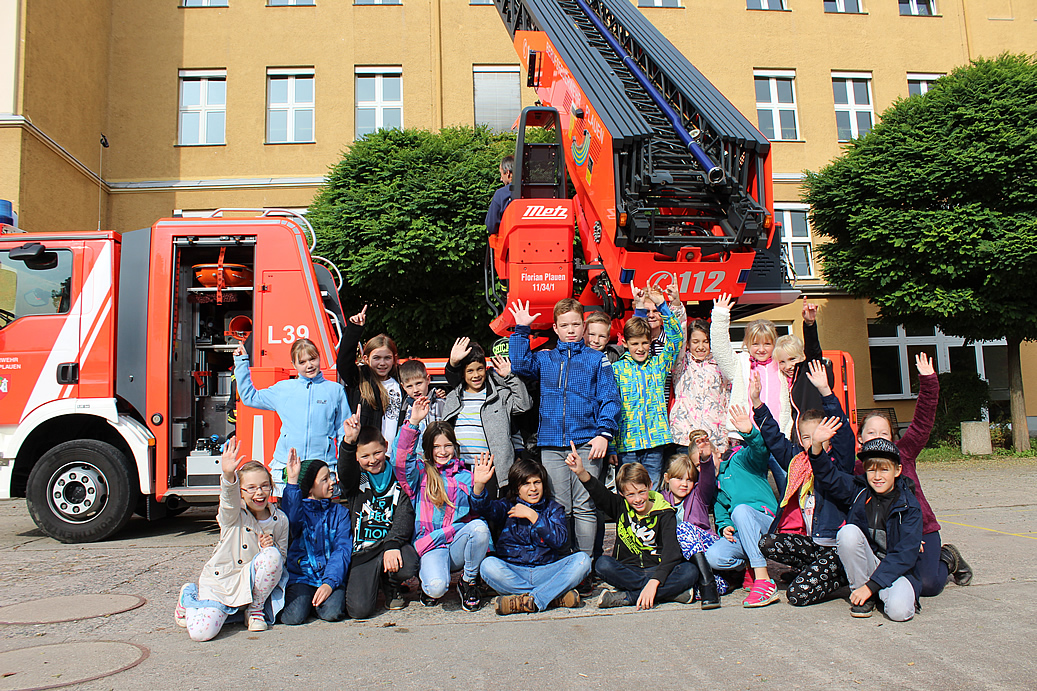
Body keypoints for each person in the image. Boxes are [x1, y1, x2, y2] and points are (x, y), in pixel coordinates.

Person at [508, 298, 622, 557]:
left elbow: (610, 399)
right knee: (560, 506)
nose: (570, 329)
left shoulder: (597, 360)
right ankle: (564, 560)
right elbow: (520, 365)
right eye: (564, 325)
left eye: (575, 324)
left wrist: (604, 434)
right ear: (556, 329)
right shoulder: (545, 358)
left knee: (584, 505)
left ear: (584, 327)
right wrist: (522, 329)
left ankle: (584, 564)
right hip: (551, 443)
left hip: (586, 441)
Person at [855, 352, 972, 595]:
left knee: (928, 586)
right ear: (860, 439)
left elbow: (921, 423)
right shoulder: (857, 467)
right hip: (884, 538)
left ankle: (948, 557)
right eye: (871, 433)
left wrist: (929, 382)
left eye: (884, 434)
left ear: (893, 439)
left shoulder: (904, 453)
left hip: (921, 530)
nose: (877, 437)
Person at [755, 362, 854, 607]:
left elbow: (844, 435)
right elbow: (774, 438)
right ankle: (815, 569)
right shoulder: (798, 460)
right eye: (807, 437)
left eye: (818, 436)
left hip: (835, 547)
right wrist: (757, 404)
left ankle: (838, 575)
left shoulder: (838, 462)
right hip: (812, 545)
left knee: (797, 595)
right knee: (768, 543)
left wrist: (826, 392)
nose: (812, 442)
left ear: (828, 434)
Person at [174, 438, 289, 641]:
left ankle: (255, 611)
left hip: (253, 586)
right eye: (251, 488)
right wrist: (228, 475)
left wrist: (269, 550)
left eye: (264, 486)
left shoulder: (280, 519)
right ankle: (189, 596)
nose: (259, 493)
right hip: (223, 582)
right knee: (201, 633)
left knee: (272, 556)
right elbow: (228, 501)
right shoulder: (233, 515)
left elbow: (282, 559)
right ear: (241, 493)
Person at [810, 433, 924, 621]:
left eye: (884, 470)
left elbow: (905, 555)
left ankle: (871, 591)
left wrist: (872, 586)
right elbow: (829, 477)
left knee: (899, 613)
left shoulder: (909, 506)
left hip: (895, 570)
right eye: (871, 470)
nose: (877, 477)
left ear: (897, 471)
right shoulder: (859, 490)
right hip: (869, 562)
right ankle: (863, 596)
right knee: (848, 532)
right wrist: (816, 446)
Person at [564, 449, 697, 610]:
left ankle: (629, 597)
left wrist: (654, 582)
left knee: (690, 571)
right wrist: (581, 472)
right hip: (629, 570)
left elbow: (672, 554)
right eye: (631, 494)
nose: (638, 499)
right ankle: (670, 593)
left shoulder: (665, 512)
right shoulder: (620, 506)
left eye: (642, 492)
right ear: (622, 493)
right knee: (602, 564)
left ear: (650, 485)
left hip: (658, 568)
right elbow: (599, 493)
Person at [395, 396, 490, 611]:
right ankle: (428, 582)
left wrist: (479, 488)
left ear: (455, 447)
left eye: (448, 445)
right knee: (436, 588)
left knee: (480, 528)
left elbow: (480, 511)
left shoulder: (465, 475)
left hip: (457, 544)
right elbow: (400, 461)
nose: (442, 451)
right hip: (431, 546)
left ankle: (468, 581)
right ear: (428, 448)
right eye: (436, 446)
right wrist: (413, 424)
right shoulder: (419, 473)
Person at [471, 456, 591, 615]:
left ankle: (528, 600)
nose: (533, 489)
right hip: (514, 571)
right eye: (526, 484)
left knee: (582, 561)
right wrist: (479, 486)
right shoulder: (507, 507)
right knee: (487, 566)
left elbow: (560, 541)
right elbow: (483, 508)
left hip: (546, 571)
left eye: (537, 482)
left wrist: (534, 516)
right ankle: (551, 597)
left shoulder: (553, 509)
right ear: (516, 488)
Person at [234, 338, 350, 495]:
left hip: (323, 466)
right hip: (287, 466)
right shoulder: (283, 389)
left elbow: (343, 431)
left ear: (319, 357)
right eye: (302, 362)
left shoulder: (335, 390)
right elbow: (249, 397)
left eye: (312, 359)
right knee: (290, 517)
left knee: (321, 517)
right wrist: (241, 363)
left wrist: (344, 465)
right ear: (294, 364)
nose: (309, 365)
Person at [339, 416, 418, 619]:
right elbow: (345, 469)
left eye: (377, 452)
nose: (372, 460)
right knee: (359, 611)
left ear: (386, 446)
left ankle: (391, 584)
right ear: (357, 456)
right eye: (365, 456)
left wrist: (392, 544)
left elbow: (405, 513)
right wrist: (349, 442)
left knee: (409, 562)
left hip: (390, 545)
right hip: (364, 550)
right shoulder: (356, 479)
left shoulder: (398, 475)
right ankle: (374, 582)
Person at [711, 293, 789, 492]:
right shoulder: (741, 365)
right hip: (749, 436)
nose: (761, 349)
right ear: (746, 344)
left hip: (778, 436)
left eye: (767, 344)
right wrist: (720, 315)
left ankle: (791, 522)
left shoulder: (782, 365)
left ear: (775, 344)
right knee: (753, 487)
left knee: (788, 485)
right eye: (755, 344)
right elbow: (720, 349)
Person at [704, 405, 780, 608]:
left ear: (718, 454)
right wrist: (724, 527)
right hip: (743, 532)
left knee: (741, 510)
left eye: (707, 459)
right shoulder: (715, 489)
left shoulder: (739, 461)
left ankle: (763, 580)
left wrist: (750, 433)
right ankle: (748, 566)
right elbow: (721, 517)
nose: (705, 466)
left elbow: (759, 451)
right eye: (699, 464)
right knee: (714, 556)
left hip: (767, 523)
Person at [612, 284, 684, 489]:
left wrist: (662, 305)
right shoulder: (616, 369)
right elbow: (608, 406)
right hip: (627, 443)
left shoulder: (658, 364)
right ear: (625, 343)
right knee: (629, 489)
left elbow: (676, 337)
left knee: (652, 489)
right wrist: (610, 446)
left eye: (644, 343)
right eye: (635, 344)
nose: (640, 348)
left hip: (655, 441)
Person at [442, 339, 531, 486]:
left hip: (491, 470)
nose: (475, 375)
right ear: (462, 374)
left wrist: (509, 376)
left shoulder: (500, 395)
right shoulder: (453, 397)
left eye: (480, 369)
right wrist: (452, 362)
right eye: (470, 371)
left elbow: (524, 405)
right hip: (459, 469)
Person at [279, 449, 353, 625]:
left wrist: (329, 583)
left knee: (332, 613)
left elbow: (342, 549)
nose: (332, 483)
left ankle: (317, 601)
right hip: (302, 577)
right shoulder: (299, 512)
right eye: (324, 479)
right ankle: (306, 603)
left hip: (329, 576)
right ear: (310, 488)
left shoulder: (340, 513)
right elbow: (291, 516)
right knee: (294, 617)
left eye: (331, 477)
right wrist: (292, 482)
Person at [661, 440, 724, 609]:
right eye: (678, 478)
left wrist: (705, 459)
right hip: (684, 557)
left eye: (689, 479)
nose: (684, 484)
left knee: (683, 528)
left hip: (706, 544)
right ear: (667, 478)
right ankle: (694, 589)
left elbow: (708, 480)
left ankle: (707, 583)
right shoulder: (660, 500)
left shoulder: (698, 495)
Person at [336, 305, 404, 446]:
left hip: (398, 454)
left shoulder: (402, 380)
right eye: (376, 358)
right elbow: (343, 362)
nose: (382, 363)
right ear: (366, 359)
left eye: (387, 358)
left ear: (394, 358)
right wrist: (354, 329)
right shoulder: (360, 379)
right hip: (370, 453)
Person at [670, 317, 732, 457]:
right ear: (688, 343)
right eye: (695, 342)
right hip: (685, 436)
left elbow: (728, 397)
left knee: (713, 477)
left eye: (705, 341)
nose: (701, 346)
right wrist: (676, 306)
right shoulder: (682, 363)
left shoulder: (720, 365)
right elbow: (678, 333)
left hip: (715, 436)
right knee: (686, 477)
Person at [772, 302, 832, 427]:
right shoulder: (782, 380)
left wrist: (809, 325)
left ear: (802, 356)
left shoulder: (809, 372)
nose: (788, 366)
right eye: (782, 362)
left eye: (792, 359)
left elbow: (813, 350)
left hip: (816, 429)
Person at [397, 359, 445, 437]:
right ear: (403, 387)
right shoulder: (403, 407)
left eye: (419, 383)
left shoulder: (440, 403)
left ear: (428, 379)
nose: (415, 390)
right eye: (409, 386)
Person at [485, 155, 514, 236]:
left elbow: (491, 226)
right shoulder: (538, 193)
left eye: (501, 174)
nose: (501, 179)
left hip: (510, 244)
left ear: (507, 173)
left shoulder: (501, 194)